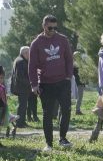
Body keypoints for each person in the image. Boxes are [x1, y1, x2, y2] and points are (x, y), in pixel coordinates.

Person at [28, 15, 75, 151]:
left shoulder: (63, 39)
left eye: (55, 28)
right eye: (50, 28)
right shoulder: (36, 43)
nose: (53, 30)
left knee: (66, 110)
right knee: (47, 113)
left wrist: (68, 76)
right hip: (46, 83)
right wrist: (34, 84)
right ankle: (49, 143)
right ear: (44, 26)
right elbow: (31, 66)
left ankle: (63, 139)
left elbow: (69, 59)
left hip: (63, 82)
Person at [10, 46, 31, 127]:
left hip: (21, 87)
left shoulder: (19, 60)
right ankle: (19, 123)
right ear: (25, 53)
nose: (30, 55)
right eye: (29, 53)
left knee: (23, 105)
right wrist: (30, 83)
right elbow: (20, 76)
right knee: (22, 105)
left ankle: (22, 121)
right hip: (22, 88)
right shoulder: (21, 61)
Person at [1, 65, 11, 142]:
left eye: (1, 78)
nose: (0, 80)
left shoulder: (2, 87)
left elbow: (4, 100)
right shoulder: (1, 88)